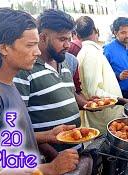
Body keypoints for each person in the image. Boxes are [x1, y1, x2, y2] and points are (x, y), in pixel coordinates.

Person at [0, 8, 78, 175]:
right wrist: (50, 168)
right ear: (4, 48)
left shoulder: (6, 83)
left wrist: (48, 136)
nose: (38, 51)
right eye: (30, 45)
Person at [14, 9, 87, 152]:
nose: (68, 45)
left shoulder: (64, 62)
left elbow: (69, 95)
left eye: (69, 39)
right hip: (50, 162)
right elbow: (18, 126)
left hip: (75, 151)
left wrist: (86, 103)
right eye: (62, 39)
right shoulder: (24, 70)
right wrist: (54, 157)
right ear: (43, 37)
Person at [76, 16, 128, 133]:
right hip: (104, 119)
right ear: (96, 30)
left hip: (108, 116)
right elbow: (94, 92)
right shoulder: (91, 54)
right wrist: (122, 100)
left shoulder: (90, 52)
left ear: (77, 35)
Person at [103, 17, 128, 100]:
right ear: (115, 33)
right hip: (120, 95)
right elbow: (103, 74)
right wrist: (118, 76)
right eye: (123, 32)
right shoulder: (108, 50)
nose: (127, 35)